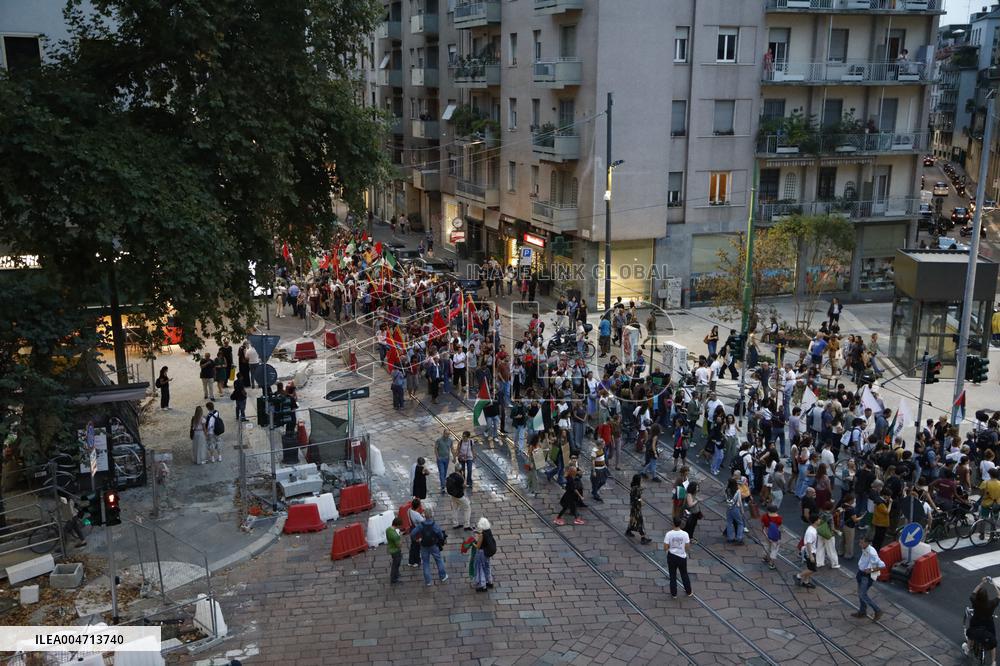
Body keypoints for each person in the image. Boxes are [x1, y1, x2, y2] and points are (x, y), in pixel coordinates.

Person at [965, 577, 1000, 663]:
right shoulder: (991, 604)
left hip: (976, 623)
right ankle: (993, 662)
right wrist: (994, 584)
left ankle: (968, 649)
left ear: (978, 597)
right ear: (987, 596)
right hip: (988, 625)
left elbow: (973, 592)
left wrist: (982, 583)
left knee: (971, 634)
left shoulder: (974, 601)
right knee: (992, 641)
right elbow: (999, 595)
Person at [852, 535, 885, 621]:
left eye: (862, 542)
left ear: (867, 543)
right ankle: (862, 611)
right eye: (860, 542)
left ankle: (877, 610)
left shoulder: (872, 552)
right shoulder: (865, 548)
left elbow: (882, 565)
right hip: (861, 573)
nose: (859, 544)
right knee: (860, 594)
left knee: (863, 594)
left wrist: (870, 570)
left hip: (866, 577)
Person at [417, 506, 449, 587]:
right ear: (431, 515)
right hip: (433, 545)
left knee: (426, 563)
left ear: (424, 515)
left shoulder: (421, 525)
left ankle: (428, 581)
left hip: (424, 546)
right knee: (438, 560)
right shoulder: (435, 525)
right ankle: (443, 576)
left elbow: (413, 533)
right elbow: (441, 535)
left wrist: (417, 539)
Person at [664, 516, 693, 598]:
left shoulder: (669, 534)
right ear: (680, 524)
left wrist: (668, 551)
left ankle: (674, 593)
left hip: (672, 556)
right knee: (684, 574)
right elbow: (687, 547)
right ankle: (689, 591)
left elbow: (665, 547)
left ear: (673, 524)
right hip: (682, 557)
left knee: (672, 575)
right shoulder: (685, 534)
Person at [625, 474, 653, 544]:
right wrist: (641, 502)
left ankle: (628, 531)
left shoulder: (635, 487)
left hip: (633, 507)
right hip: (636, 508)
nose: (641, 481)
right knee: (640, 521)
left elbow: (637, 495)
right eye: (640, 480)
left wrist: (642, 489)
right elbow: (637, 499)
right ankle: (643, 538)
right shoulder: (636, 489)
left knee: (633, 519)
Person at [796, 514, 821, 589]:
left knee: (810, 567)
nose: (820, 520)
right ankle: (799, 576)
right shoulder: (811, 532)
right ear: (816, 521)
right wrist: (811, 555)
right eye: (819, 519)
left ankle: (806, 582)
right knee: (812, 569)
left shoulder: (812, 528)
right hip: (810, 552)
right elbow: (808, 543)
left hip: (812, 551)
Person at [473, 517, 496, 592]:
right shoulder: (488, 531)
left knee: (480, 568)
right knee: (487, 566)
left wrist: (473, 543)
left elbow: (478, 546)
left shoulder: (481, 535)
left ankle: (482, 585)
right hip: (488, 552)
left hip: (482, 553)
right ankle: (489, 581)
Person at [446, 466, 472, 530]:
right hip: (459, 496)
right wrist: (463, 477)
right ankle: (467, 525)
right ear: (461, 470)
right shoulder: (460, 478)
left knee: (455, 509)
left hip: (453, 495)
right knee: (467, 507)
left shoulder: (451, 475)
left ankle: (455, 524)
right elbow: (464, 486)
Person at [761, 504, 782, 570]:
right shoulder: (779, 518)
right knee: (774, 548)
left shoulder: (764, 516)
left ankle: (765, 557)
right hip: (775, 535)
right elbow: (779, 527)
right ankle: (771, 563)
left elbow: (762, 525)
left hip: (767, 532)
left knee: (767, 545)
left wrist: (764, 531)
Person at [407, 498, 425, 568]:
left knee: (413, 546)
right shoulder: (417, 514)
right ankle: (416, 561)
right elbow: (423, 521)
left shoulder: (409, 510)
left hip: (412, 529)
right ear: (418, 506)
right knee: (417, 546)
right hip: (417, 531)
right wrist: (423, 516)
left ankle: (411, 561)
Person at [434, 430, 453, 494]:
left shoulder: (450, 440)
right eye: (446, 434)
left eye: (448, 434)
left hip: (446, 458)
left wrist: (454, 456)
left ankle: (443, 483)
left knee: (444, 472)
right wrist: (437, 457)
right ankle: (443, 487)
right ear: (443, 433)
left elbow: (452, 448)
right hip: (440, 459)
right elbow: (435, 448)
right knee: (442, 472)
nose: (447, 435)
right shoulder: (439, 440)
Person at [387, 517, 403, 584]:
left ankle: (396, 574)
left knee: (395, 563)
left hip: (391, 548)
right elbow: (399, 545)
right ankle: (394, 579)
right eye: (400, 525)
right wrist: (400, 537)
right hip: (396, 551)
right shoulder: (395, 535)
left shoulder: (388, 529)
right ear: (398, 525)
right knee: (396, 565)